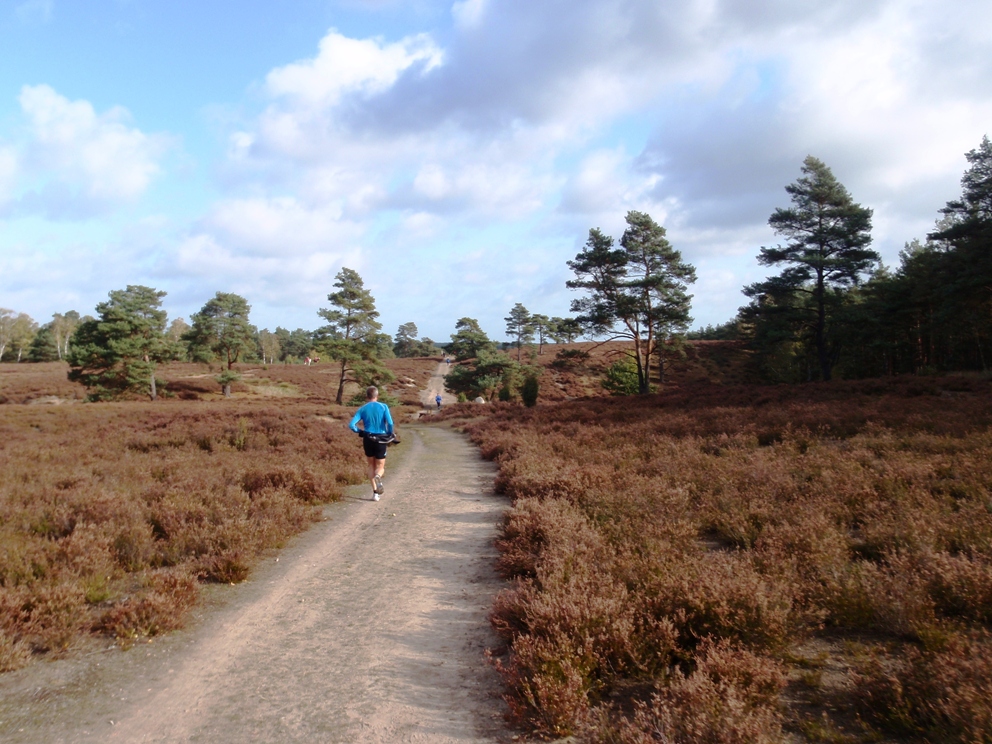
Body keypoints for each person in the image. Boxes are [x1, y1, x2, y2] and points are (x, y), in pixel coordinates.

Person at [348, 386, 395, 501]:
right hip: (380, 438)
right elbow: (390, 422)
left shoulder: (363, 409)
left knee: (371, 466)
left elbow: (351, 425)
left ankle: (375, 494)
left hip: (368, 438)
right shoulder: (384, 407)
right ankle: (378, 476)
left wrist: (360, 432)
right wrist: (389, 433)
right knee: (380, 466)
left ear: (367, 396)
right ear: (377, 395)